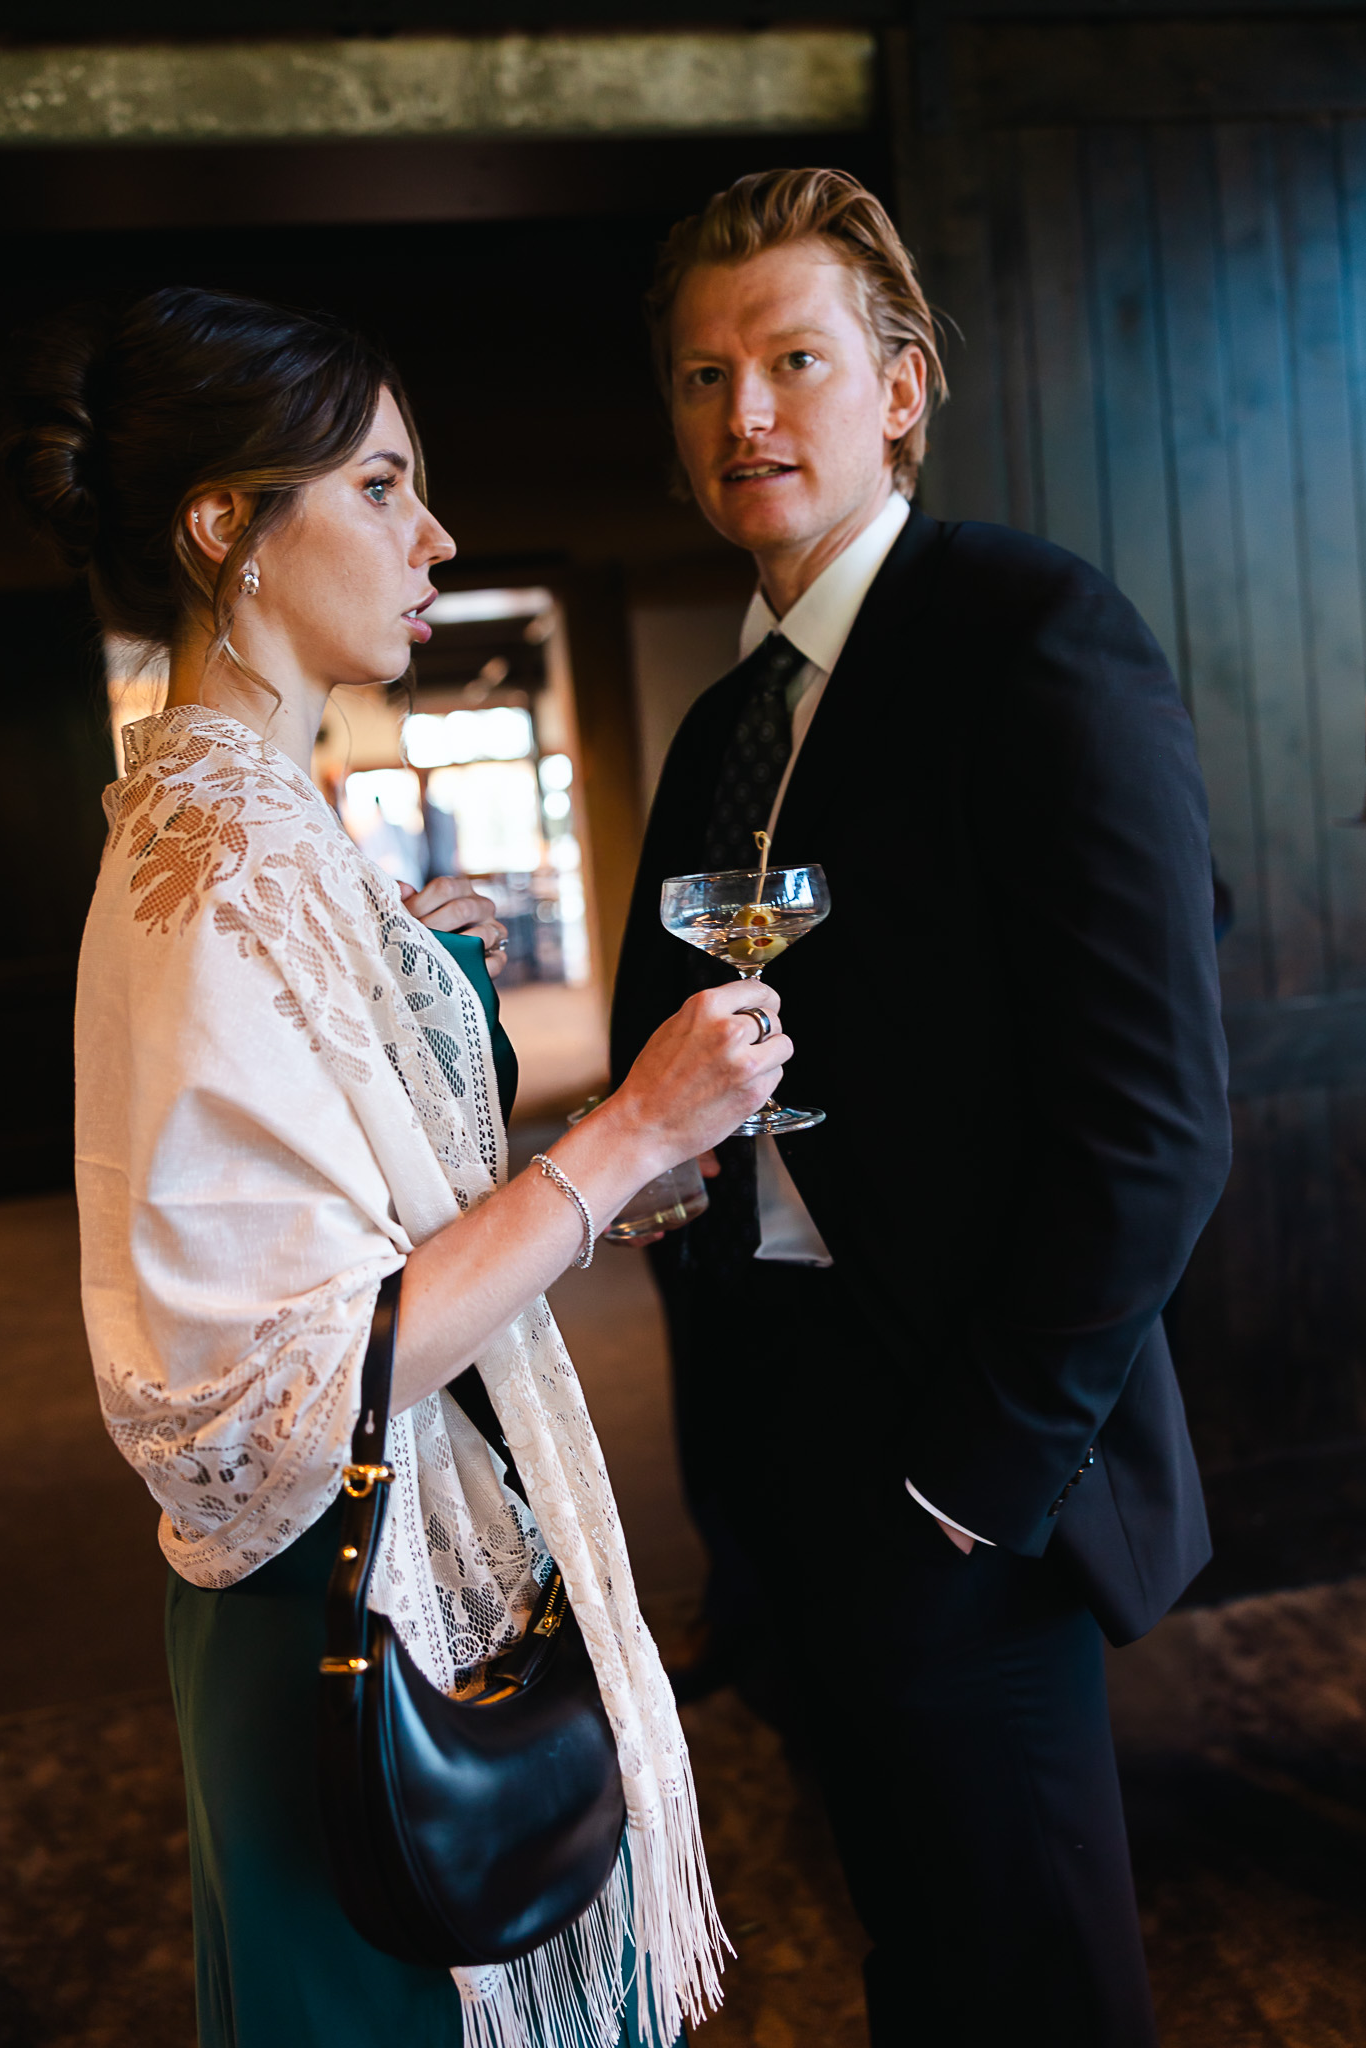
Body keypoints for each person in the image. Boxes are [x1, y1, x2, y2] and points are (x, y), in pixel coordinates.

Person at [1, 286, 783, 2048]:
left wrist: (435, 1011)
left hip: (382, 1565)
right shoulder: (214, 864)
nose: (431, 533)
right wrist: (625, 1133)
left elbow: (363, 1211)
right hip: (331, 1616)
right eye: (376, 485)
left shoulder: (267, 821)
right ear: (229, 531)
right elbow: (290, 1377)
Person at [610, 168, 1232, 2048]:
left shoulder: (1028, 630)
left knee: (1032, 1973)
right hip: (781, 1426)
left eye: (794, 360)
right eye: (705, 377)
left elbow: (1152, 1117)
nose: (745, 414)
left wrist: (976, 1473)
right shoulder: (729, 728)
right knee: (911, 1946)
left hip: (967, 1444)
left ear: (899, 387)